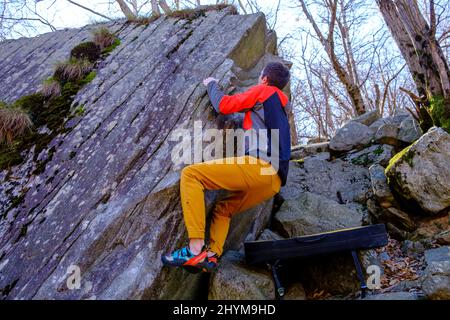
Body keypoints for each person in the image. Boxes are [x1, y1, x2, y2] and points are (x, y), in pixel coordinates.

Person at [161, 62, 291, 273]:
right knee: (223, 209)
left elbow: (223, 104)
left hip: (260, 166)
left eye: (260, 76)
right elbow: (250, 121)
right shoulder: (280, 108)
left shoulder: (264, 91)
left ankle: (195, 250)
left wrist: (212, 84)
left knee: (191, 175)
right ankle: (211, 256)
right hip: (273, 182)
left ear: (265, 79)